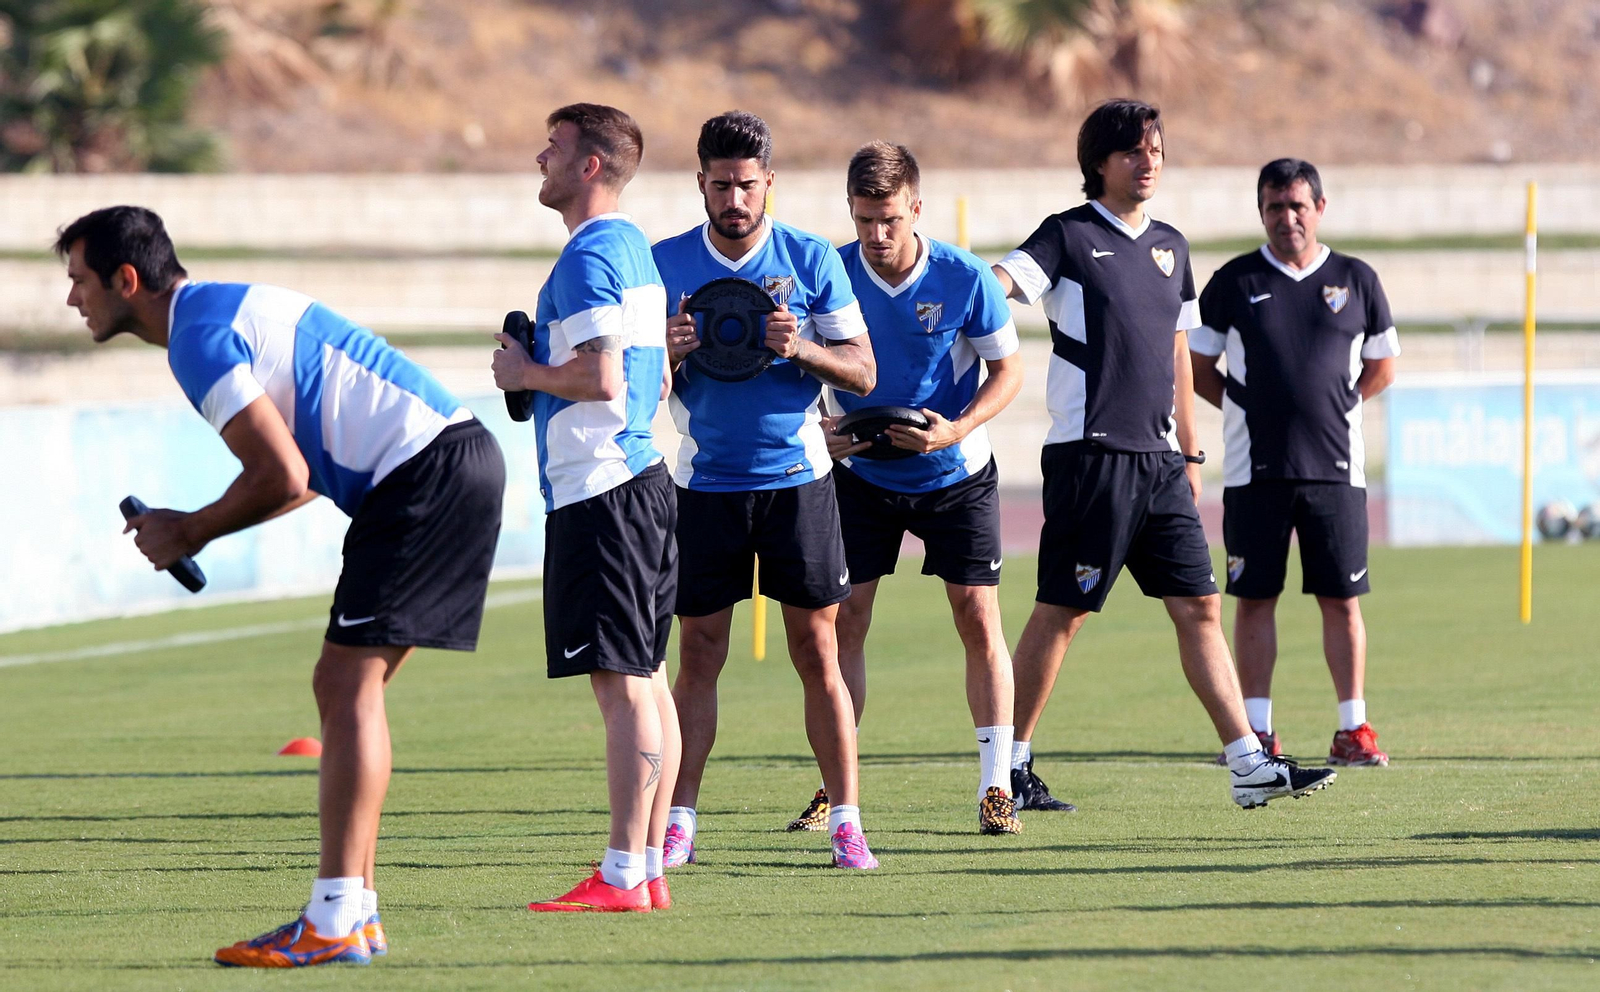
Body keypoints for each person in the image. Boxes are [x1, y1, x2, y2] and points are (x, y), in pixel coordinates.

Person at [57, 205, 505, 966]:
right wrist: (190, 523)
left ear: (126, 281)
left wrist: (189, 531)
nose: (73, 300)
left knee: (344, 682)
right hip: (446, 464)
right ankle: (352, 914)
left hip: (424, 473)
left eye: (79, 281)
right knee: (346, 689)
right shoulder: (218, 309)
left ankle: (334, 917)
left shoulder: (196, 338)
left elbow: (282, 474)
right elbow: (299, 472)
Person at [989, 99, 1336, 811]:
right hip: (1091, 457)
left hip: (1159, 462)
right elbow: (999, 284)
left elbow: (1181, 351)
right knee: (1064, 611)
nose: (1148, 162)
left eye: (1156, 151)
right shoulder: (1069, 235)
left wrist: (1190, 450)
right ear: (1099, 163)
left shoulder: (1172, 246)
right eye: (1133, 152)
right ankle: (1010, 769)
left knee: (1202, 607)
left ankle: (1248, 764)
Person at [652, 110, 881, 869]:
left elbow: (865, 370)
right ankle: (680, 819)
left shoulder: (812, 258)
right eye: (720, 185)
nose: (734, 199)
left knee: (818, 652)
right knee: (699, 655)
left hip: (798, 481)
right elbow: (635, 390)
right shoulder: (665, 263)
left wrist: (803, 348)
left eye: (747, 185)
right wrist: (670, 356)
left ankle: (845, 817)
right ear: (701, 184)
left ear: (768, 184)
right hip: (703, 484)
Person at [801, 140, 1025, 836]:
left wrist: (954, 431)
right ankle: (835, 788)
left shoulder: (964, 278)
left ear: (917, 209)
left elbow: (1009, 372)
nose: (876, 235)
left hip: (954, 473)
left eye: (890, 219)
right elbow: (796, 366)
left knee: (976, 616)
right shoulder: (830, 272)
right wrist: (819, 429)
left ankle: (996, 787)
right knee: (845, 625)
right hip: (860, 475)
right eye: (864, 219)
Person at [491, 104, 683, 912]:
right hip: (638, 483)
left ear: (591, 166)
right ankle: (644, 871)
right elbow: (658, 374)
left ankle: (620, 874)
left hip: (604, 492)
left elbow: (603, 380)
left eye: (557, 148)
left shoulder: (588, 255)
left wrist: (524, 375)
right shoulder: (632, 246)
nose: (541, 157)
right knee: (649, 683)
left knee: (622, 687)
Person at [1190, 157, 1399, 768]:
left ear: (1320, 209)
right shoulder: (1234, 280)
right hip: (1257, 470)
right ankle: (1256, 730)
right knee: (1254, 599)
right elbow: (1198, 368)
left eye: (1297, 206)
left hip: (1336, 471)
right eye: (1275, 207)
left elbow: (1384, 366)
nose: (1287, 218)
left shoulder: (1357, 279)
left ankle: (1352, 728)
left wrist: (1338, 405)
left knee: (1341, 600)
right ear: (1261, 212)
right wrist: (1243, 408)